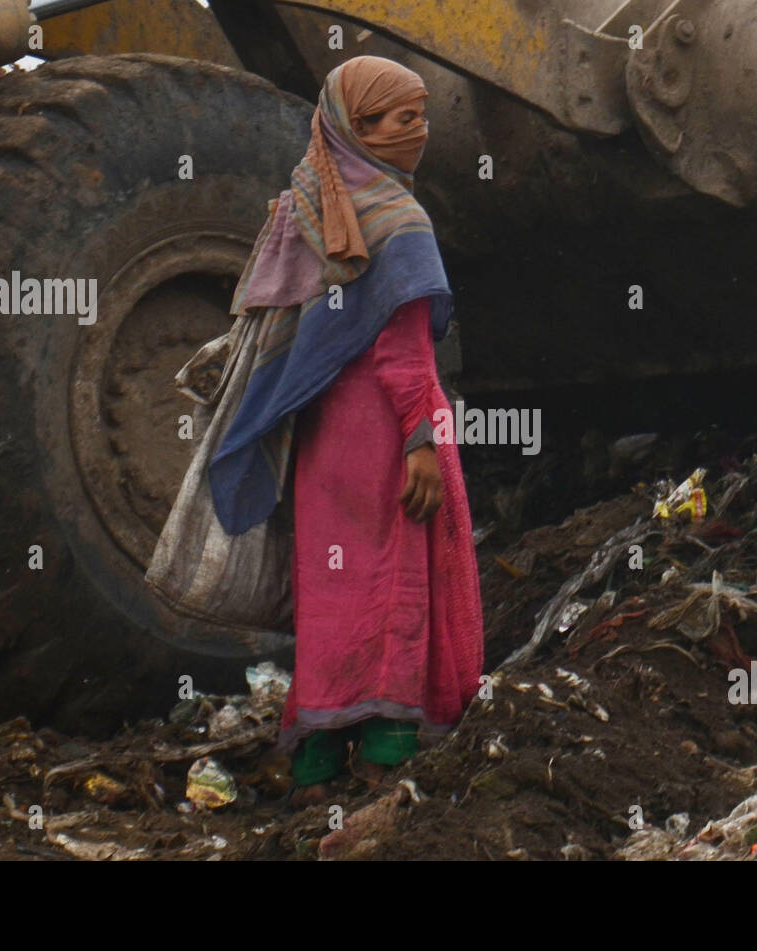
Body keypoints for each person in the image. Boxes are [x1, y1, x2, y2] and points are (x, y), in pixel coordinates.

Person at [206, 56, 484, 805]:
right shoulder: (399, 217)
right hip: (385, 431)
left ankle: (316, 758)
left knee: (329, 584)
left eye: (423, 116)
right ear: (357, 129)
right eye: (403, 119)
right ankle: (389, 746)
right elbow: (403, 351)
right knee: (394, 576)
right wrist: (422, 439)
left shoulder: (298, 208)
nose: (420, 133)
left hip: (322, 437)